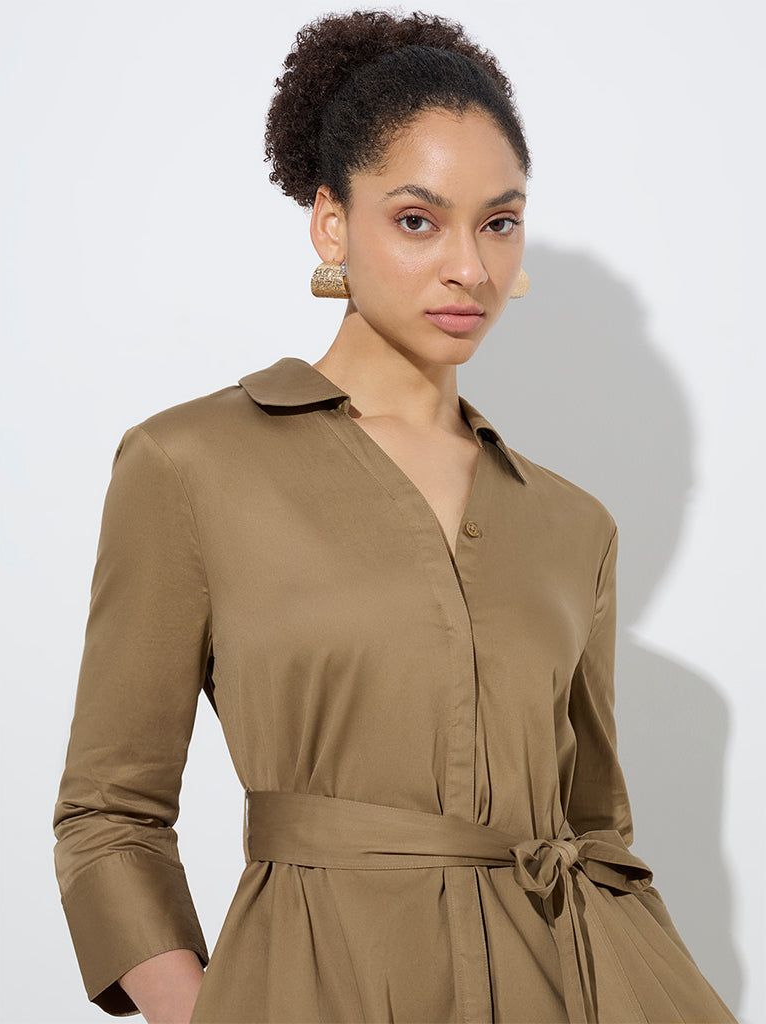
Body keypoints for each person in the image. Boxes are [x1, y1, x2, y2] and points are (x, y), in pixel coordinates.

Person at [53, 10, 737, 1024]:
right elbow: (109, 813)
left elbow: (597, 838)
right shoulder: (188, 465)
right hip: (315, 989)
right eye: (419, 220)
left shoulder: (572, 525)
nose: (471, 267)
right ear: (332, 225)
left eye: (498, 222)